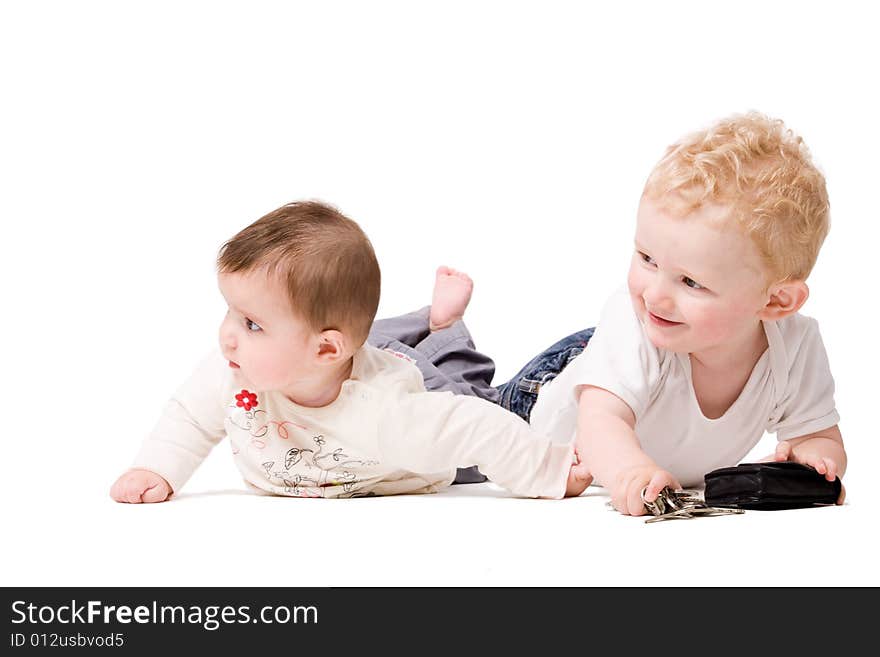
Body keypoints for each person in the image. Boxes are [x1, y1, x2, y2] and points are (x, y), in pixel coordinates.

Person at [110, 202, 591, 503]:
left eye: (252, 324)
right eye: (231, 313)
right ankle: (428, 321)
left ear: (324, 348)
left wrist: (550, 471)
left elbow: (478, 428)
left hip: (415, 394)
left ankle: (445, 327)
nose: (227, 337)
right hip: (353, 353)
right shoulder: (233, 373)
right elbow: (188, 418)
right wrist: (155, 467)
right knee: (376, 334)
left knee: (483, 398)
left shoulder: (390, 414)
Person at [498, 112, 847, 515]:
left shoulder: (793, 347)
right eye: (647, 258)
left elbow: (820, 436)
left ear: (776, 302)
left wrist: (814, 464)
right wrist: (629, 472)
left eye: (691, 283)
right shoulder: (636, 322)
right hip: (537, 404)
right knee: (458, 422)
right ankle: (438, 334)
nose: (656, 296)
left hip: (626, 359)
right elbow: (599, 421)